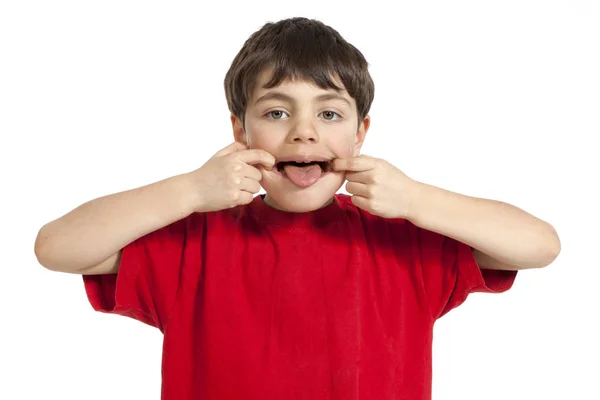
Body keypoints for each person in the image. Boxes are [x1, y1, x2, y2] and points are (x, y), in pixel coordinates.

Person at [34, 17, 561, 400]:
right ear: (239, 130)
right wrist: (191, 191)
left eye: (329, 113)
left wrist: (418, 199)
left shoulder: (403, 241)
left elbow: (540, 245)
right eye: (277, 111)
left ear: (360, 134)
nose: (303, 130)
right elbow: (57, 248)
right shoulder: (193, 241)